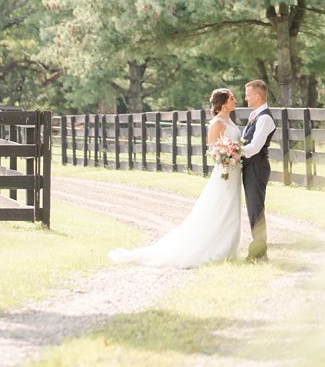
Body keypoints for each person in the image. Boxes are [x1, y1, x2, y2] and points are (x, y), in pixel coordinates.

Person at [109, 88, 242, 268]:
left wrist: (235, 152)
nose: (235, 100)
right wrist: (227, 155)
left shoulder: (229, 121)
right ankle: (215, 249)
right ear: (224, 102)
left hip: (234, 172)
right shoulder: (216, 123)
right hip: (225, 171)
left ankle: (228, 249)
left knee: (231, 208)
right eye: (232, 98)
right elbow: (212, 150)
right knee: (219, 208)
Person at [240, 78, 276, 261]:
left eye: (247, 95)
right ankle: (258, 251)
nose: (246, 99)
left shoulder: (265, 118)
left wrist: (233, 151)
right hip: (250, 166)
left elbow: (254, 147)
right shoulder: (255, 115)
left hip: (257, 166)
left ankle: (259, 254)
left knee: (256, 208)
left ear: (257, 95)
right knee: (253, 208)